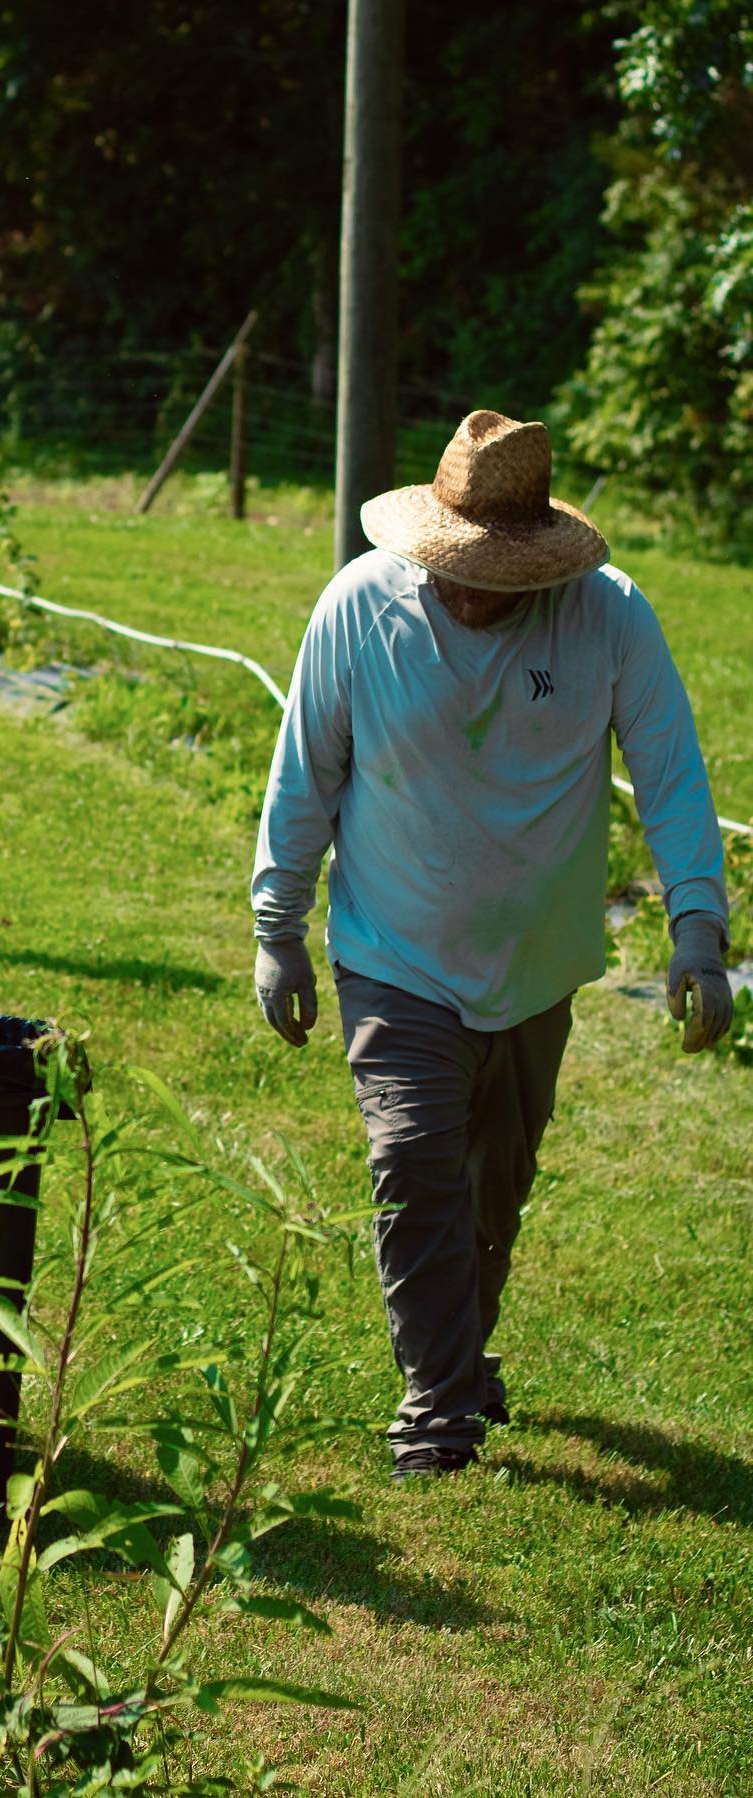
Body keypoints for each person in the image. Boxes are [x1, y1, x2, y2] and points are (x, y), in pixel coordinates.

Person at [250, 410, 732, 1481]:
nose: (470, 590)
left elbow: (671, 769)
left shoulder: (608, 621)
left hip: (537, 961)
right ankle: (438, 1403)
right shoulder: (357, 610)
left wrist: (699, 930)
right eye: (455, 568)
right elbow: (305, 773)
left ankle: (459, 1351)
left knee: (492, 1183)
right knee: (413, 1159)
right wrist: (277, 926)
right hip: (393, 947)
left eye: (496, 574)